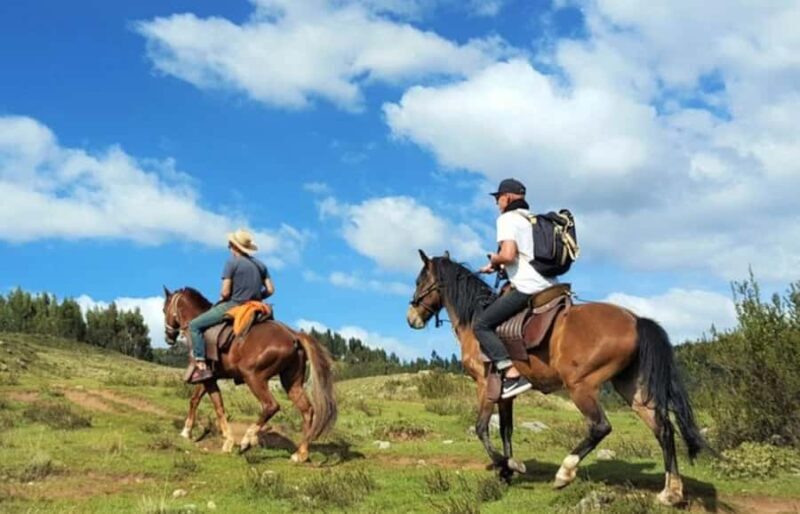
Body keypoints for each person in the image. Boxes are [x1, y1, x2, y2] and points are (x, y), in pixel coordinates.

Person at [477, 178, 556, 399]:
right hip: (551, 284)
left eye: (498, 198)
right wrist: (495, 266)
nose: (497, 203)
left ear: (508, 197)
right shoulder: (534, 219)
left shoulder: (507, 219)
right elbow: (525, 255)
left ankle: (511, 373)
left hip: (527, 286)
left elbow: (509, 254)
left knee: (482, 324)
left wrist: (496, 257)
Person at [186, 229, 274, 383]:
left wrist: (229, 296)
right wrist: (258, 297)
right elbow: (271, 290)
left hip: (235, 305)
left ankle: (201, 365)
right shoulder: (261, 265)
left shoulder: (231, 263)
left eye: (229, 245)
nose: (229, 248)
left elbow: (225, 293)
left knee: (194, 325)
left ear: (235, 247)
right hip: (257, 307)